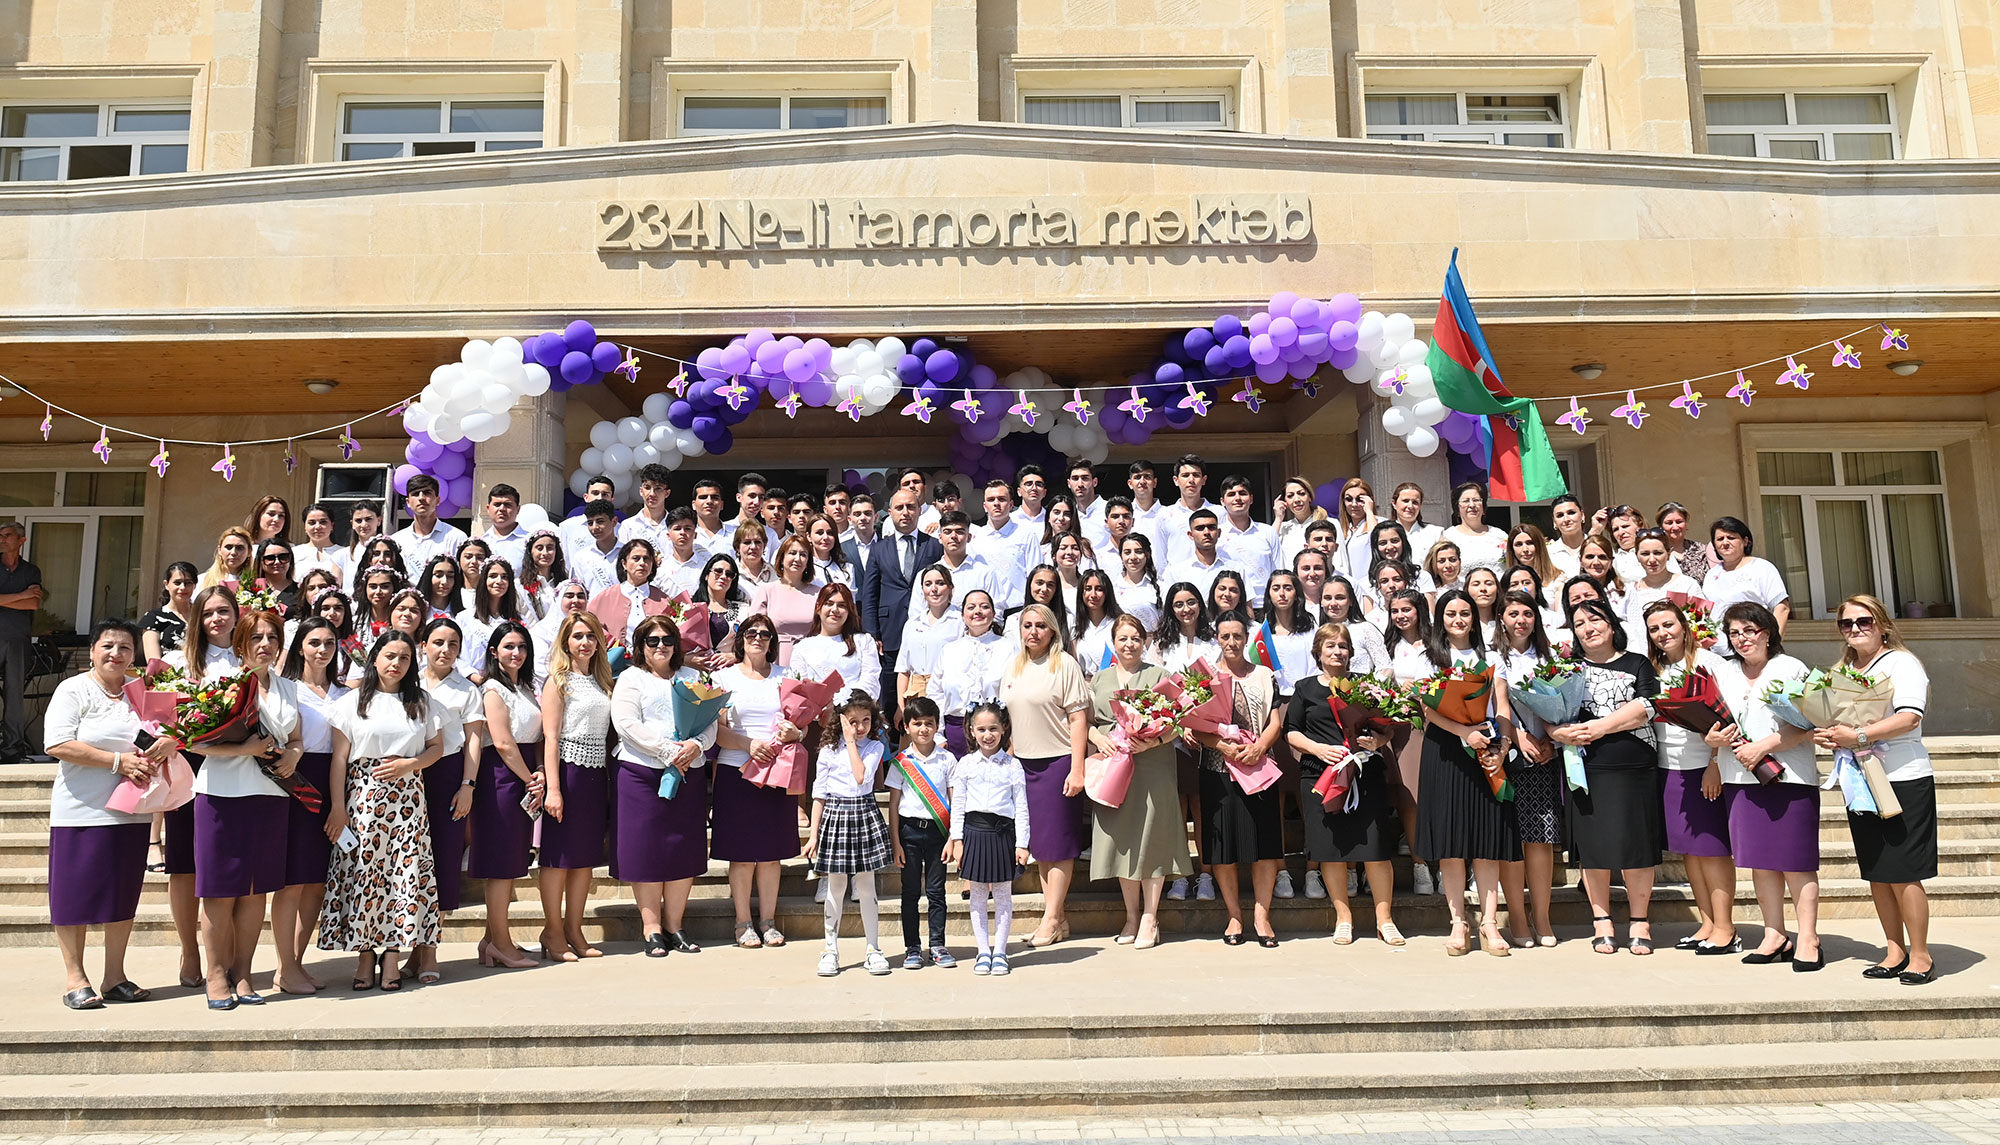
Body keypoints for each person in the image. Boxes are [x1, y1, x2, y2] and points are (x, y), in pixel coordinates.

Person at [45, 620, 172, 1010]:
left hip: (130, 810)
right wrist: (118, 762)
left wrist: (168, 740)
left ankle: (115, 975)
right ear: (93, 650)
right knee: (73, 896)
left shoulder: (140, 692)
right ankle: (74, 978)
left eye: (125, 648)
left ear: (134, 655)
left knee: (122, 895)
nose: (115, 654)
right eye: (108, 646)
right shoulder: (74, 689)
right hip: (80, 809)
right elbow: (58, 743)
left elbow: (158, 730)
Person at [1814, 594, 1937, 984]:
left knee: (1904, 869)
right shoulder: (1843, 669)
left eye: (1863, 621)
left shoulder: (1902, 663)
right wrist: (1832, 734)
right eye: (1846, 623)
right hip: (1860, 776)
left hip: (1902, 775)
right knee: (1879, 871)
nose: (1854, 629)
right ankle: (1893, 950)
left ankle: (1920, 954)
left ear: (1882, 624)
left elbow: (1909, 716)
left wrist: (1858, 733)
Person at [319, 630, 444, 992]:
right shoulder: (353, 702)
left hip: (407, 799)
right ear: (375, 658)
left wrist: (411, 764)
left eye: (404, 658)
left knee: (401, 877)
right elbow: (339, 760)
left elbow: (436, 748)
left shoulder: (420, 701)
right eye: (390, 656)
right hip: (364, 798)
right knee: (365, 876)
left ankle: (392, 954)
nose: (396, 663)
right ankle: (364, 955)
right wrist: (339, 807)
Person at [192, 608, 301, 1008]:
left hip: (271, 796)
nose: (265, 645)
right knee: (219, 892)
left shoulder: (289, 688)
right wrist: (246, 748)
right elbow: (196, 743)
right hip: (222, 794)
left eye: (272, 638)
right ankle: (216, 974)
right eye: (256, 638)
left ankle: (244, 974)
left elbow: (297, 736)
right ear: (241, 643)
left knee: (257, 892)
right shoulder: (221, 683)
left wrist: (293, 754)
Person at [1707, 601, 1820, 970]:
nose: (1742, 639)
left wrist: (1763, 747)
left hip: (1789, 775)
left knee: (1795, 861)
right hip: (1739, 777)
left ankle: (1808, 937)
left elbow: (1809, 723)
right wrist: (1713, 739)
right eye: (1734, 633)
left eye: (1749, 631)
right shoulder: (1723, 671)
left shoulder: (1790, 668)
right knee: (1760, 862)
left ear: (1767, 632)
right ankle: (1775, 934)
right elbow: (1711, 720)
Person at [1549, 599, 1663, 957]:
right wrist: (1557, 733)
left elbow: (1646, 707)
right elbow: (1548, 714)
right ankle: (1602, 921)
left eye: (1595, 620)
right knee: (1594, 848)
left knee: (1637, 845)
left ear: (1612, 625)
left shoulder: (1637, 663)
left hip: (1633, 765)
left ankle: (1640, 920)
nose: (1588, 628)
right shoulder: (1567, 669)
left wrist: (1599, 727)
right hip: (1586, 767)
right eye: (1579, 623)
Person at [1415, 590, 1520, 957]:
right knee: (1452, 841)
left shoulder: (1492, 657)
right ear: (1440, 619)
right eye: (1450, 614)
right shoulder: (1428, 657)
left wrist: (1503, 747)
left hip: (1487, 751)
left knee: (1487, 840)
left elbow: (1502, 706)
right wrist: (1464, 733)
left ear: (1475, 618)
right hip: (1445, 753)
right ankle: (1458, 920)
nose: (1458, 620)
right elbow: (1429, 711)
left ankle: (1489, 922)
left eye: (1464, 613)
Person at [1287, 622, 1401, 945]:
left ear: (1351, 652)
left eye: (1343, 646)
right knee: (1331, 849)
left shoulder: (1365, 686)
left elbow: (1387, 728)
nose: (1338, 652)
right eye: (1330, 646)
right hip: (1322, 776)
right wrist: (1318, 748)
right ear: (1318, 652)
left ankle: (1385, 919)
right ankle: (1344, 918)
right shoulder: (1305, 688)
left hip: (1364, 773)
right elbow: (1291, 731)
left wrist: (1378, 741)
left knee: (1376, 848)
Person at [610, 615, 716, 959]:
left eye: (667, 640)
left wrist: (696, 745)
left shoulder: (693, 677)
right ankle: (652, 927)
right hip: (642, 773)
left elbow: (712, 721)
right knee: (646, 850)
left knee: (682, 849)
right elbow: (626, 724)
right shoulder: (631, 678)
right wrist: (668, 750)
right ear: (641, 645)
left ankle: (675, 925)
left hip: (689, 772)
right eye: (652, 640)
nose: (660, 647)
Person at [1089, 614, 1196, 948]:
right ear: (1113, 643)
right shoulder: (1100, 679)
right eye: (1123, 638)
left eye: (1135, 638)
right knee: (1123, 839)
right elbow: (1084, 721)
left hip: (1154, 765)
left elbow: (1179, 722)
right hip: (1115, 767)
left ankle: (1151, 916)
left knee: (1153, 837)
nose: (1129, 644)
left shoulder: (1160, 676)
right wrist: (1097, 737)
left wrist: (1154, 741)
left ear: (1145, 641)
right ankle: (1132, 916)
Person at [1643, 600, 1737, 955]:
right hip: (1669, 767)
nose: (1663, 633)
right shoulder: (1655, 668)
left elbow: (1728, 716)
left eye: (1668, 625)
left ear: (1684, 625)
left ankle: (1726, 928)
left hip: (1704, 767)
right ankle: (1708, 922)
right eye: (1655, 629)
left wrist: (1715, 761)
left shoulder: (1710, 664)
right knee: (1690, 852)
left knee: (1711, 850)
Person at [997, 602, 1091, 947]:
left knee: (1059, 847)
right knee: (1040, 847)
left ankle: (1049, 918)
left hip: (1057, 764)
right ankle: (1060, 917)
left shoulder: (1064, 664)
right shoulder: (1014, 666)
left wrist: (1077, 768)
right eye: (1026, 625)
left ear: (1052, 630)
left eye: (1040, 625)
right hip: (1023, 765)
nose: (1032, 631)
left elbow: (1079, 719)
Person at [162, 585, 242, 988]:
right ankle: (190, 950)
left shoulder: (250, 659)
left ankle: (223, 953)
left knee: (225, 864)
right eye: (209, 613)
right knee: (184, 864)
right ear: (197, 619)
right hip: (189, 764)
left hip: (239, 765)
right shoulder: (178, 662)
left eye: (224, 611)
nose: (217, 619)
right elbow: (160, 718)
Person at [1191, 611, 1286, 946]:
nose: (1231, 642)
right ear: (1217, 638)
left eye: (1237, 636)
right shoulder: (1204, 678)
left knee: (1263, 846)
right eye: (1225, 636)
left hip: (1259, 767)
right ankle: (1234, 916)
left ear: (1246, 639)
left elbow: (1275, 721)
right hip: (1218, 770)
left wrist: (1260, 746)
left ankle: (1262, 916)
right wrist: (1222, 747)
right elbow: (1196, 726)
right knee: (1224, 848)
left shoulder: (1263, 674)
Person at [712, 615, 803, 949]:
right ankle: (742, 922)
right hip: (737, 770)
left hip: (776, 774)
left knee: (771, 853)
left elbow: (799, 722)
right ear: (741, 639)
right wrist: (747, 744)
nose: (758, 639)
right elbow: (714, 730)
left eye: (765, 634)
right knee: (742, 854)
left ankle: (768, 920)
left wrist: (798, 733)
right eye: (751, 633)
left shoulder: (786, 676)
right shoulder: (723, 677)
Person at [271, 618, 350, 994]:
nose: (322, 650)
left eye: (329, 643)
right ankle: (284, 966)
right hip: (297, 781)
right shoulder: (286, 689)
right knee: (292, 882)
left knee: (316, 882)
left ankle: (297, 963)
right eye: (314, 642)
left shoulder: (345, 692)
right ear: (300, 646)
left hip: (337, 782)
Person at [535, 611, 614, 962]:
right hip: (566, 771)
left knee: (583, 859)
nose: (584, 643)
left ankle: (574, 928)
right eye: (578, 636)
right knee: (557, 858)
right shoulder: (558, 681)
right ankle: (552, 930)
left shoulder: (602, 680)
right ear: (566, 640)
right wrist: (554, 788)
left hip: (596, 774)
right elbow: (550, 738)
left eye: (590, 636)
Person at [411, 618, 482, 982]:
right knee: (408, 863)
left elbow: (472, 739)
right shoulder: (407, 681)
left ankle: (429, 951)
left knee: (440, 861)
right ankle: (408, 948)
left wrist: (468, 784)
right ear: (423, 645)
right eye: (438, 642)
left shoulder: (466, 690)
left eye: (453, 644)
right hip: (408, 776)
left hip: (448, 775)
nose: (445, 650)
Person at [469, 622, 544, 969]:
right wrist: (530, 778)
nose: (516, 653)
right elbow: (501, 741)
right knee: (501, 865)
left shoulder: (525, 688)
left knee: (512, 860)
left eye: (522, 647)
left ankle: (492, 939)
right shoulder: (493, 690)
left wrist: (538, 771)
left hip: (523, 772)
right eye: (509, 646)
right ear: (494, 651)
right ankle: (500, 942)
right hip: (501, 776)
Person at [804, 690, 894, 977]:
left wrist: (854, 743)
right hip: (836, 815)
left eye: (866, 720)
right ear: (840, 720)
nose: (860, 726)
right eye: (853, 721)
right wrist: (814, 834)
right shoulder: (829, 750)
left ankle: (873, 948)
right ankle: (830, 948)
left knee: (866, 887)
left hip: (863, 813)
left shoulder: (875, 748)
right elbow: (819, 793)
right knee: (836, 887)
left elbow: (862, 777)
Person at [1493, 590, 1560, 947]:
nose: (1521, 620)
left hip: (1543, 755)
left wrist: (1553, 740)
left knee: (1540, 838)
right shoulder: (1493, 657)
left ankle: (1543, 917)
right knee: (1511, 839)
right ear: (1501, 618)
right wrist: (1516, 737)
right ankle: (1517, 916)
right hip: (1505, 754)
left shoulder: (1551, 658)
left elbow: (1562, 704)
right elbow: (1495, 706)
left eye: (1527, 614)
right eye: (1513, 613)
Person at [947, 702, 1030, 976]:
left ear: (1003, 728)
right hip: (973, 834)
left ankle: (1001, 952)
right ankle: (983, 951)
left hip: (1003, 835)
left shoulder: (1013, 765)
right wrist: (956, 839)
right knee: (978, 895)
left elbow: (1021, 806)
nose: (988, 735)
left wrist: (1022, 843)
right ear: (972, 731)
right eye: (981, 729)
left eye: (993, 728)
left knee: (1004, 894)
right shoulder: (966, 764)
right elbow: (957, 804)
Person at [884, 696, 957, 968]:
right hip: (909, 833)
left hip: (939, 833)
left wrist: (953, 837)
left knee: (937, 892)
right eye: (917, 724)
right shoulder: (901, 761)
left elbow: (954, 800)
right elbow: (893, 805)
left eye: (929, 723)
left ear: (937, 726)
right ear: (906, 727)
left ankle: (937, 944)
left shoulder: (947, 759)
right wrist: (896, 843)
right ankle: (912, 947)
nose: (923, 729)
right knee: (910, 892)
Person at [860, 488, 943, 698]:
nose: (905, 512)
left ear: (919, 511)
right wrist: (872, 633)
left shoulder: (934, 546)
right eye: (899, 507)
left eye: (910, 507)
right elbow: (870, 593)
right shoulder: (879, 549)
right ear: (890, 512)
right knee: (889, 697)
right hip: (889, 634)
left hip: (927, 632)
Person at [1382, 586, 1435, 896]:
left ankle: (1447, 862)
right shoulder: (1387, 645)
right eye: (1395, 611)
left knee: (1436, 794)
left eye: (1407, 609)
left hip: (1437, 721)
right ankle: (1420, 865)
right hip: (1403, 725)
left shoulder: (1435, 642)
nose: (1401, 616)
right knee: (1410, 797)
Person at [931, 590, 1008, 758]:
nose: (977, 611)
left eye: (984, 607)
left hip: (995, 734)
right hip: (955, 733)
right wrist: (938, 736)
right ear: (963, 615)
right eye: (971, 607)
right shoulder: (949, 650)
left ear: (994, 613)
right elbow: (935, 693)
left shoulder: (1008, 648)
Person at [792, 583, 882, 703]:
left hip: (856, 711)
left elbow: (871, 681)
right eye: (829, 604)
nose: (835, 609)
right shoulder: (802, 647)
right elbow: (801, 687)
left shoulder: (864, 641)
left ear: (849, 610)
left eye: (842, 605)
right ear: (818, 608)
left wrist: (845, 701)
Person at [895, 567, 963, 723]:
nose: (934, 589)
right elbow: (903, 670)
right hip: (915, 696)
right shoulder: (912, 623)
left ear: (950, 588)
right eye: (928, 584)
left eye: (940, 583)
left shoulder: (960, 621)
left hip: (946, 694)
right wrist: (900, 706)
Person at [1702, 517, 1792, 633]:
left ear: (1745, 541)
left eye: (1731, 538)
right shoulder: (1711, 574)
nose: (1725, 543)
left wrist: (1773, 643)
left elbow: (1782, 608)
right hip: (1717, 649)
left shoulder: (1761, 567)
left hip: (1752, 646)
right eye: (1720, 539)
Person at [589, 539, 674, 657]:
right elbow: (591, 626)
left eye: (646, 559)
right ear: (624, 563)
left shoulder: (663, 599)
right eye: (636, 558)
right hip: (614, 665)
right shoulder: (606, 597)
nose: (642, 563)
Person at [749, 535, 820, 666]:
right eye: (792, 553)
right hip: (776, 660)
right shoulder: (766, 590)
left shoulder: (818, 593)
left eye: (803, 555)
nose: (797, 559)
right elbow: (754, 630)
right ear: (781, 558)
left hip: (811, 659)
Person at [457, 556, 525, 680]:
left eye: (504, 577)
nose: (499, 581)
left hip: (508, 684)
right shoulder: (465, 618)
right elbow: (461, 659)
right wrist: (479, 680)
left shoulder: (520, 621)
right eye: (493, 576)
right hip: (473, 685)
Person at [390, 475, 469, 579]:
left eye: (427, 493)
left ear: (438, 500)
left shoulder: (456, 538)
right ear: (408, 502)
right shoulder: (396, 540)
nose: (421, 498)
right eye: (415, 494)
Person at [139, 561, 199, 664]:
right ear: (166, 585)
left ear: (194, 585)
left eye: (188, 583)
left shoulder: (203, 615)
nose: (183, 587)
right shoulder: (153, 618)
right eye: (177, 583)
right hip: (170, 677)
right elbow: (154, 662)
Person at [1006, 564, 1074, 652]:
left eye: (1050, 585)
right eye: (1039, 583)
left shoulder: (1068, 619)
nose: (1044, 589)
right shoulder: (1013, 621)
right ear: (1030, 584)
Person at [1165, 508, 1228, 601]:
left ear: (1219, 533)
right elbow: (1169, 608)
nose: (1206, 532)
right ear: (1191, 535)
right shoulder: (1176, 572)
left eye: (1211, 527)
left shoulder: (1235, 569)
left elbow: (1247, 608)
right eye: (1200, 528)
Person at [568, 501, 623, 598]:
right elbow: (577, 589)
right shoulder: (581, 556)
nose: (595, 527)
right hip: (590, 612)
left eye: (600, 521)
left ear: (614, 522)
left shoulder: (628, 552)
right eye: (590, 523)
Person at [1275, 476, 1331, 572]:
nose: (1296, 499)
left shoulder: (1329, 523)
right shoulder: (1282, 527)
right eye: (1290, 496)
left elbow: (1341, 562)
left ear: (1310, 497)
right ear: (1285, 502)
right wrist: (1278, 518)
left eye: (1301, 494)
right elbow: (1267, 547)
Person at [519, 529, 568, 623]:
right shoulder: (520, 586)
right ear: (531, 551)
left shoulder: (564, 583)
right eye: (539, 548)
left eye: (550, 548)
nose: (545, 553)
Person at [1658, 501, 1712, 584]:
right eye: (1669, 523)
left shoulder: (1702, 550)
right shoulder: (1656, 553)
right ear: (1660, 526)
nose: (1675, 527)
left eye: (1679, 521)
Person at [1547, 494, 1591, 579]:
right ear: (1554, 522)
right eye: (1560, 515)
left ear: (1582, 515)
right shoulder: (1548, 554)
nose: (1566, 519)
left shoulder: (1597, 548)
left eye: (1571, 513)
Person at [199, 526, 254, 592]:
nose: (233, 552)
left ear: (249, 552)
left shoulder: (256, 581)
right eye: (228, 547)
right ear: (219, 550)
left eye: (239, 548)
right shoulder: (201, 580)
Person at [1606, 504, 1647, 585]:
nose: (1621, 533)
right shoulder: (1611, 558)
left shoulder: (1657, 551)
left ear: (1640, 526)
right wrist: (1596, 529)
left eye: (1625, 526)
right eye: (1615, 529)